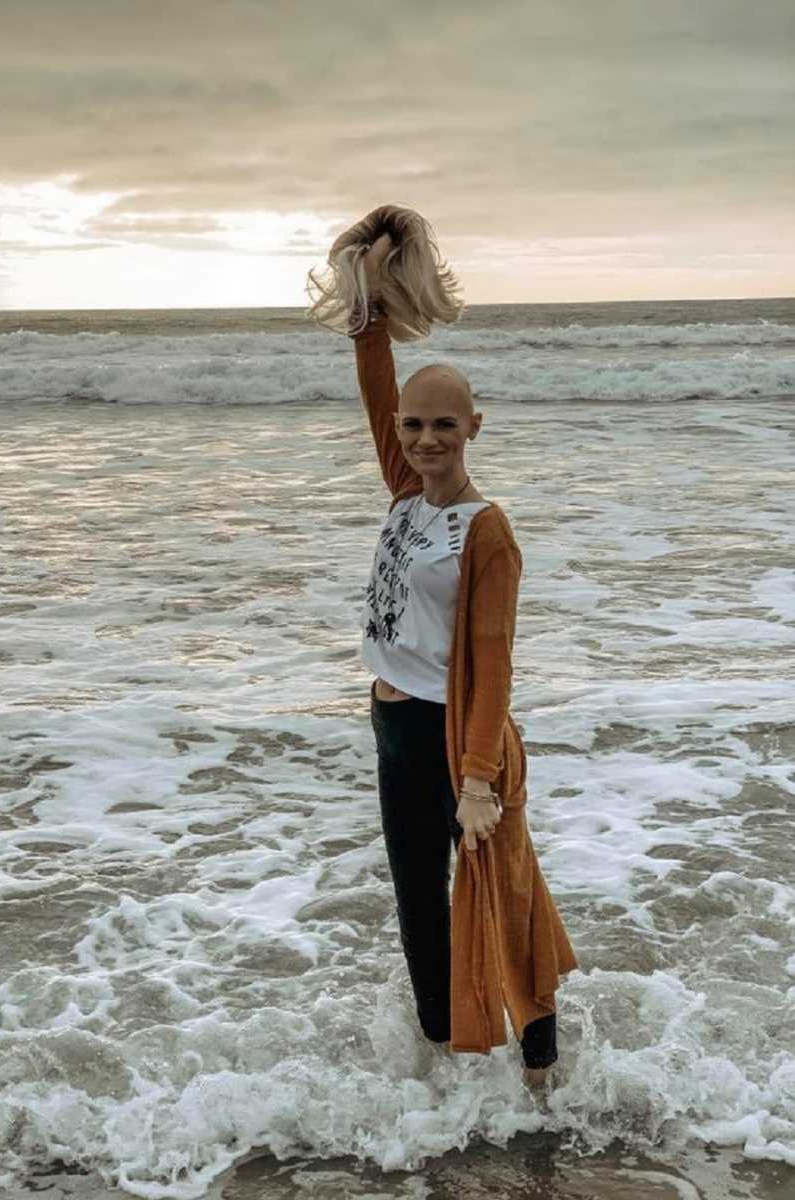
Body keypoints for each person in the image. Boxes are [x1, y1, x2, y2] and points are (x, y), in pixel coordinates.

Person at [309, 212, 578, 1089]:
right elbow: (373, 376)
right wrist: (368, 294)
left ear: (474, 428)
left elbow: (493, 661)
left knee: (501, 897)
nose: (426, 442)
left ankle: (541, 1069)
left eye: (444, 429)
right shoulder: (405, 496)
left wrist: (473, 782)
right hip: (391, 725)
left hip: (456, 736)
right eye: (414, 426)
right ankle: (440, 1054)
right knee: (418, 902)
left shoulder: (485, 531)